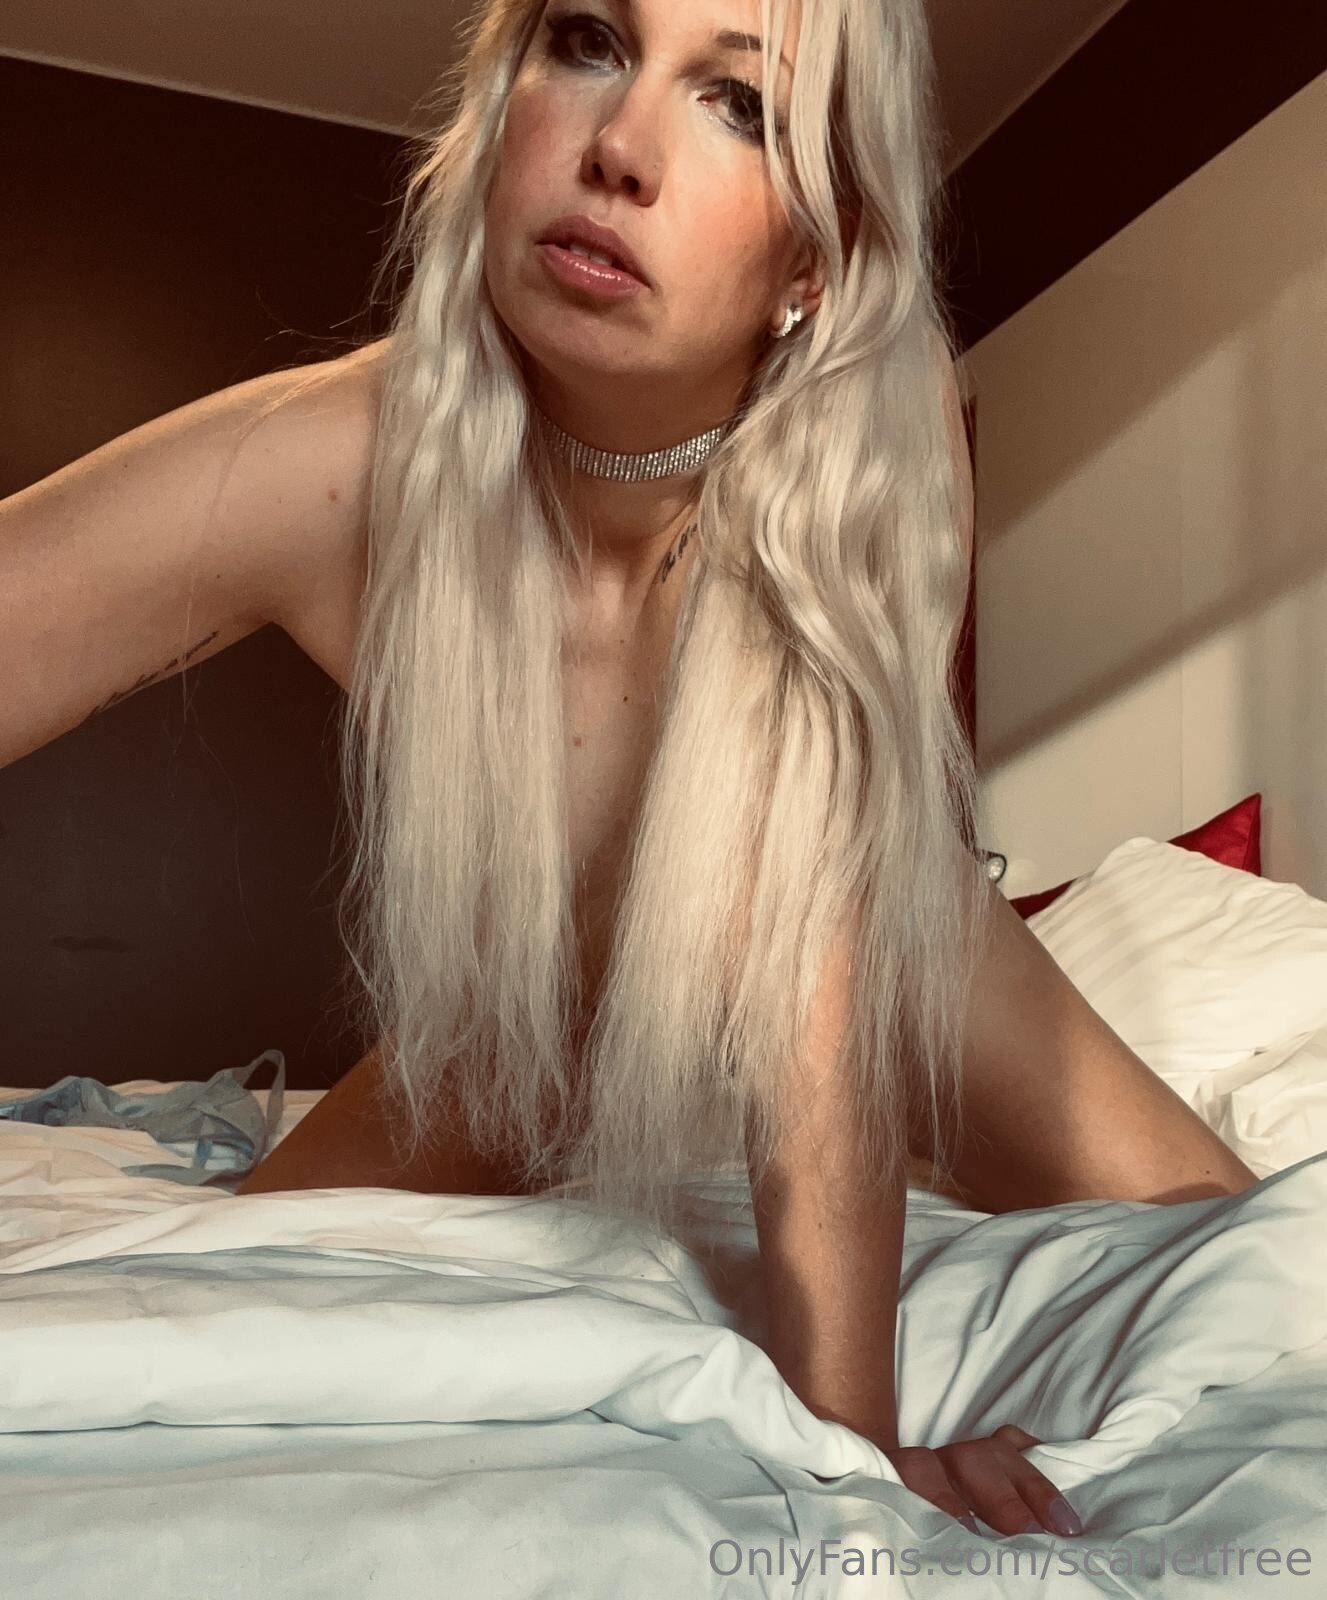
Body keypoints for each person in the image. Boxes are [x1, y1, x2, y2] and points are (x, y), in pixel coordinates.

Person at [0, 0, 1257, 1545]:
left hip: (887, 947)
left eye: (739, 103)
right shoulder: (334, 462)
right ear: (504, 99)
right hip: (524, 1016)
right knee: (208, 1285)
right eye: (591, 40)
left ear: (813, 265)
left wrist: (851, 1458)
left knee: (1250, 1260)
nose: (621, 149)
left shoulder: (871, 441)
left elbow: (819, 979)